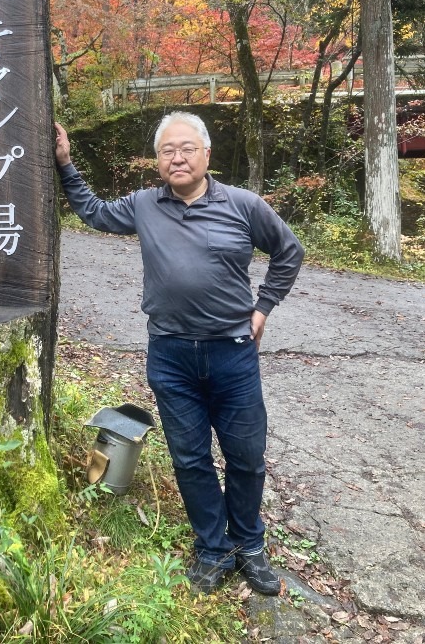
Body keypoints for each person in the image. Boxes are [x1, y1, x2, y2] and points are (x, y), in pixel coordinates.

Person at [55, 111, 304, 596]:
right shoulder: (144, 205)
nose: (178, 157)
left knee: (247, 457)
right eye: (168, 150)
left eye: (187, 148)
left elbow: (288, 252)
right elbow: (95, 212)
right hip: (170, 355)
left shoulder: (243, 205)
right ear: (157, 160)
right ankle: (212, 549)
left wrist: (263, 308)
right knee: (190, 459)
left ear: (206, 154)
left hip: (232, 353)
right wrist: (66, 164)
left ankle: (249, 545)